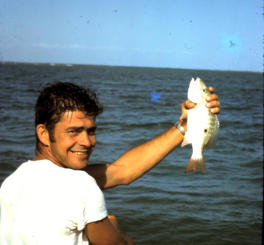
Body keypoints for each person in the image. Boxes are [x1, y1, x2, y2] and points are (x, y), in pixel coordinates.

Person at [0, 81, 220, 245]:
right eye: (74, 131)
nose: (87, 142)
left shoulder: (13, 182)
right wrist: (116, 230)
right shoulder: (80, 186)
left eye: (91, 131)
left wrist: (184, 126)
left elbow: (121, 171)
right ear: (44, 134)